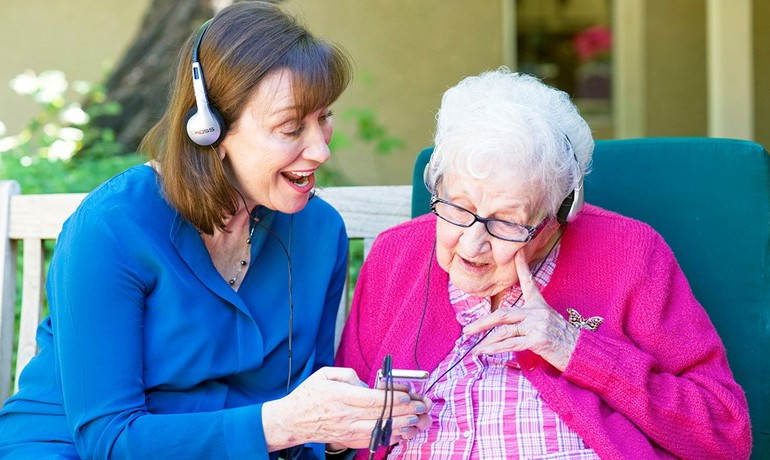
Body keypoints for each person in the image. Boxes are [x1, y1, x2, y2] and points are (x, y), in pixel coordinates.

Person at [0, 2, 431, 458]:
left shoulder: (319, 233)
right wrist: (281, 425)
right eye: (290, 128)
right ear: (210, 129)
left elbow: (304, 419)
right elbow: (109, 441)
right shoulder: (111, 229)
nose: (321, 150)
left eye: (323, 117)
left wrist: (341, 432)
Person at [335, 68, 752, 459]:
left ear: (558, 218)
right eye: (458, 208)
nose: (473, 243)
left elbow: (724, 433)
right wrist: (344, 431)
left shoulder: (630, 254)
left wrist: (572, 346)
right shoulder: (397, 255)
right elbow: (340, 429)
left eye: (506, 222)